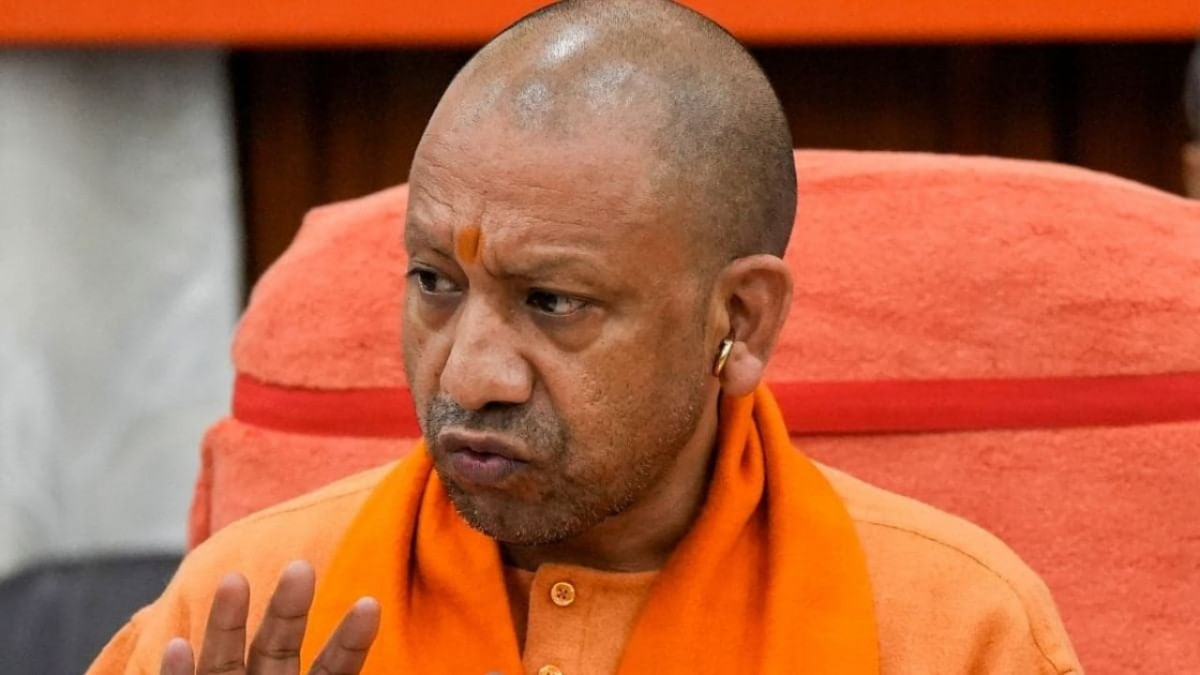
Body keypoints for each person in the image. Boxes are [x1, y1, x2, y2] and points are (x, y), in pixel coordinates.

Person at [89, 1, 1081, 673]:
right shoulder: (243, 611)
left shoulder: (953, 628)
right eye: (435, 283)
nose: (469, 374)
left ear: (739, 319)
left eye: (554, 301)